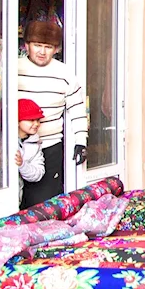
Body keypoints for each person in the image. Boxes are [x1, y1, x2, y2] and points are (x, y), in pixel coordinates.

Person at [18, 20, 88, 208]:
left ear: (56, 49)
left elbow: (77, 107)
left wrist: (81, 141)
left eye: (48, 47)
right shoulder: (14, 69)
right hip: (16, 146)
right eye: (37, 45)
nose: (42, 52)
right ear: (26, 45)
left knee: (42, 206)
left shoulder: (65, 73)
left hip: (49, 146)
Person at [15, 99, 45, 207]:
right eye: (31, 120)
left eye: (38, 120)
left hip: (17, 197)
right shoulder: (5, 141)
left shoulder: (35, 145)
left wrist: (22, 165)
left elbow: (38, 174)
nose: (36, 124)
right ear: (18, 121)